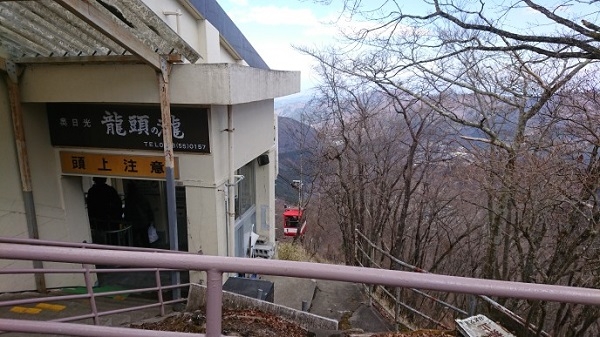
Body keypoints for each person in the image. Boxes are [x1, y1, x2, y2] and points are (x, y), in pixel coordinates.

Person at [124, 181, 155, 247]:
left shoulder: (129, 199)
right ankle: (147, 250)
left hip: (134, 222)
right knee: (145, 238)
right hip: (144, 221)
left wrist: (126, 220)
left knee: (132, 238)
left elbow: (127, 211)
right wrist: (151, 219)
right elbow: (148, 209)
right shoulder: (142, 197)